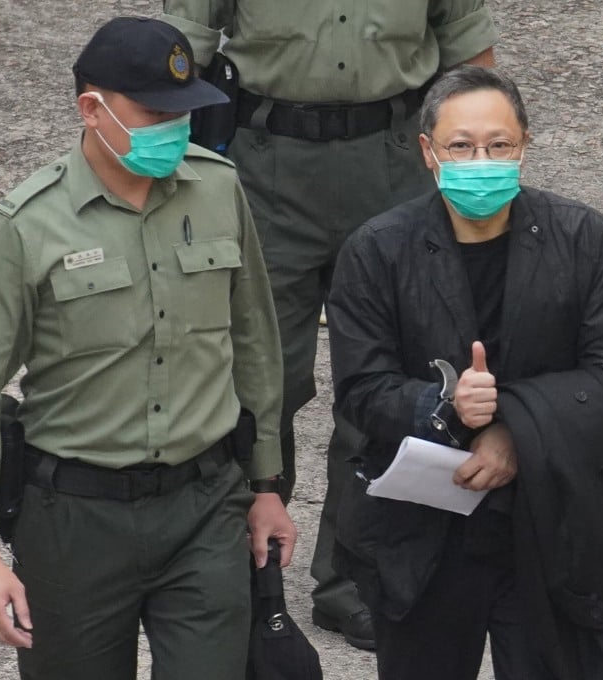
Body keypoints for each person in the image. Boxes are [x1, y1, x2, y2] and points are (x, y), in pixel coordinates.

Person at [0, 17, 295, 680]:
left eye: (184, 113)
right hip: (75, 521)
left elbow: (255, 340)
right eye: (154, 112)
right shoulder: (28, 225)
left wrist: (267, 485)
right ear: (90, 110)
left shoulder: (219, 188)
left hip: (205, 509)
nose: (173, 129)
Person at [160, 0, 498, 650]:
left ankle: (356, 582)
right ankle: (244, 578)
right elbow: (182, 48)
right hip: (263, 167)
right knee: (257, 381)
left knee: (384, 385)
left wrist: (477, 164)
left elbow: (466, 44)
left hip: (396, 162)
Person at [327, 66, 603, 680]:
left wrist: (514, 430)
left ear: (524, 146)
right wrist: (446, 405)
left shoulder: (582, 237)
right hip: (424, 529)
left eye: (499, 145)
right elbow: (360, 387)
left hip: (554, 520)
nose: (480, 160)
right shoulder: (378, 248)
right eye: (461, 146)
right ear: (428, 151)